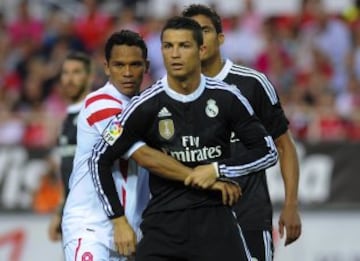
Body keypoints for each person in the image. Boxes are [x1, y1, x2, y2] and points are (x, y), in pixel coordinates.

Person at [90, 16, 278, 261]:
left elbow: (267, 151)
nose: (175, 54)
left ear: (201, 50)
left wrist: (217, 168)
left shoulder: (227, 98)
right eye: (168, 46)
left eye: (183, 46)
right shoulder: (144, 106)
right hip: (164, 223)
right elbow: (99, 158)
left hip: (216, 219)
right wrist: (117, 220)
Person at [61, 29, 240, 261]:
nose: (127, 73)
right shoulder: (100, 104)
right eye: (119, 65)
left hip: (134, 231)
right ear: (106, 68)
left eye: (135, 64)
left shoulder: (148, 106)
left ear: (146, 67)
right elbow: (144, 155)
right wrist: (203, 179)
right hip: (92, 228)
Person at [182, 4, 302, 260]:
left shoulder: (251, 83)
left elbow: (284, 145)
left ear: (221, 38)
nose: (199, 38)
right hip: (194, 220)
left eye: (205, 30)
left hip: (249, 217)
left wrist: (291, 205)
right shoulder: (172, 92)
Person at [48, 51, 93, 242]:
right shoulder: (66, 120)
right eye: (65, 73)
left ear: (89, 77)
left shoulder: (94, 113)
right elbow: (66, 172)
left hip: (93, 217)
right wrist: (60, 212)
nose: (69, 79)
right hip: (72, 217)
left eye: (76, 72)